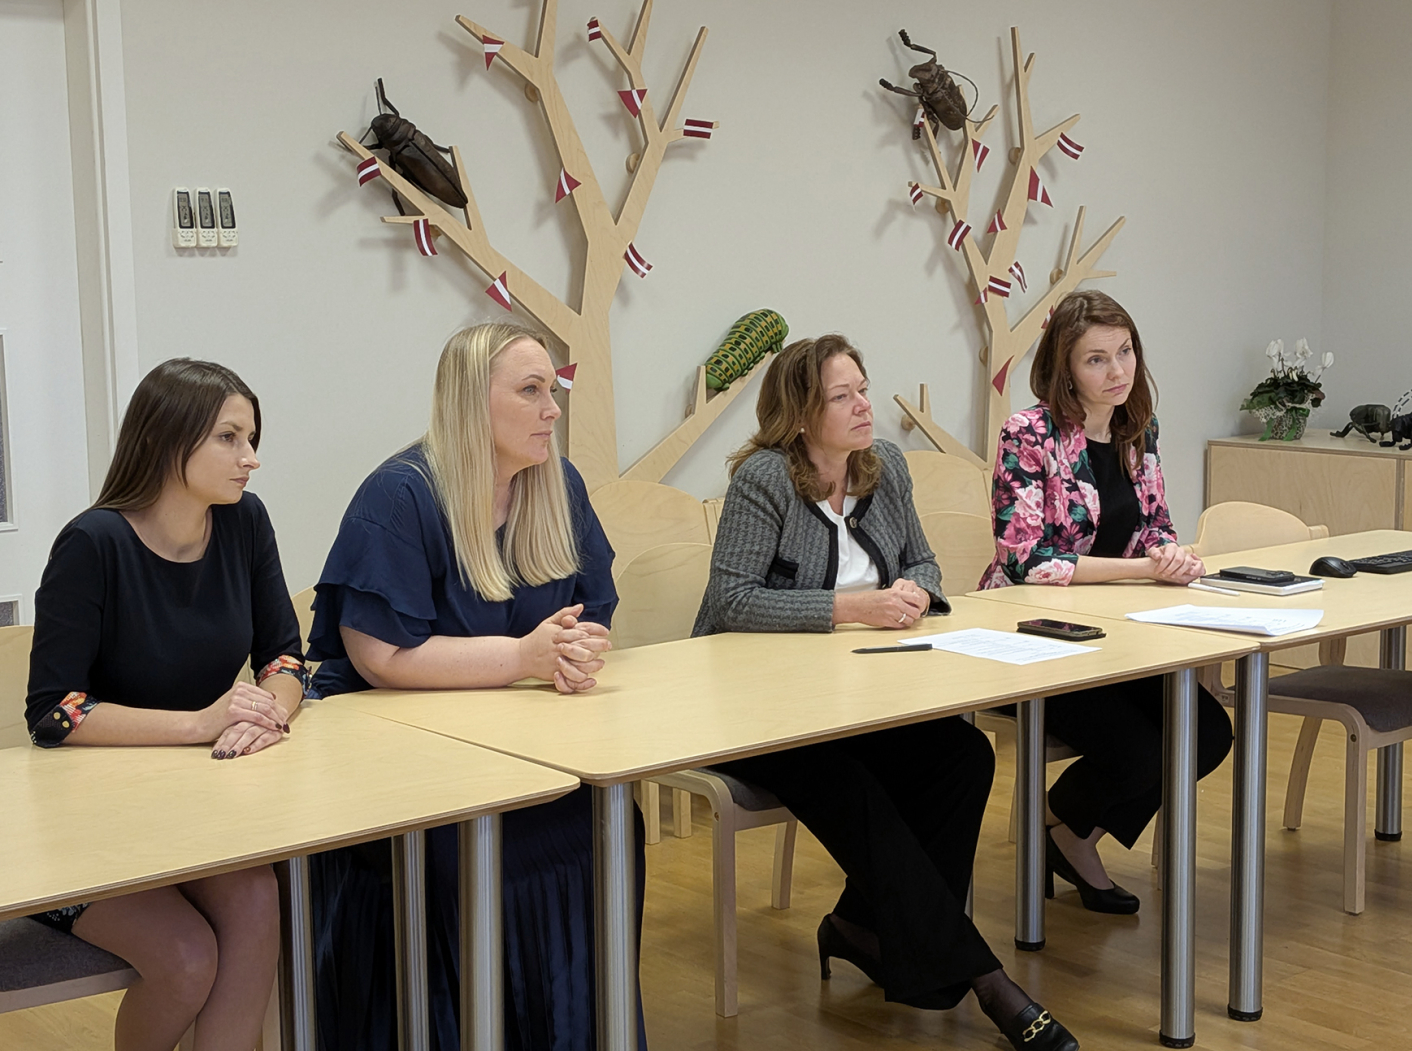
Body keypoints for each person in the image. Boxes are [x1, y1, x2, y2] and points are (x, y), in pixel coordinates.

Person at [692, 334, 1080, 1051]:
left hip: (862, 699)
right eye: (842, 397)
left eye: (863, 389)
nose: (864, 406)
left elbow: (925, 562)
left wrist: (915, 592)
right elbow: (730, 601)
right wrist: (850, 608)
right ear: (800, 415)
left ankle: (860, 926)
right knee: (854, 787)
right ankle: (986, 980)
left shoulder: (885, 467)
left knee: (963, 757)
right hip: (760, 713)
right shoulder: (763, 479)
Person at [306, 323, 640, 1051]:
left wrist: (576, 650)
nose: (552, 409)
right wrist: (523, 656)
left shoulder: (558, 484)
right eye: (530, 390)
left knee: (611, 826)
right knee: (465, 854)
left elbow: (593, 608)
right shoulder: (400, 495)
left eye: (553, 389)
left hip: (516, 739)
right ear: (469, 401)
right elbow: (380, 658)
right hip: (393, 753)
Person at [25, 359, 304, 1051]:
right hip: (85, 830)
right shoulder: (92, 544)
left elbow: (284, 658)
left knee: (257, 896)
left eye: (251, 438)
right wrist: (201, 724)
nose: (251, 458)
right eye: (229, 438)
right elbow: (55, 712)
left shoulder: (245, 523)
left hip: (196, 808)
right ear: (164, 438)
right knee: (186, 960)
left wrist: (268, 714)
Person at [979, 290, 1233, 915]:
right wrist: (1142, 568)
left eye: (1125, 352)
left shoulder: (1137, 428)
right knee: (1140, 751)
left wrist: (1171, 557)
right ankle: (1066, 831)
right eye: (1097, 359)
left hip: (1114, 635)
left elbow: (1154, 526)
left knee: (1207, 732)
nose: (1118, 371)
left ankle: (1066, 828)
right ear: (1064, 368)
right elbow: (1027, 560)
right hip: (1030, 642)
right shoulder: (1028, 434)